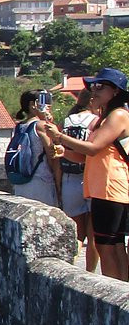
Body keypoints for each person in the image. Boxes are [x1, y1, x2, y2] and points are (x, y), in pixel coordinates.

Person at [41, 68, 129, 281]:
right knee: (111, 243)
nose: (93, 91)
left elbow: (93, 148)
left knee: (107, 244)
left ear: (115, 91)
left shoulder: (118, 115)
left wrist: (60, 137)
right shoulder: (104, 117)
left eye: (100, 87)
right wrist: (65, 153)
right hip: (103, 187)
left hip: (111, 187)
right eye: (92, 87)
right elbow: (87, 156)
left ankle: (115, 291)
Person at [60, 88, 98, 272]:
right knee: (93, 236)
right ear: (92, 101)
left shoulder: (67, 120)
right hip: (90, 179)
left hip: (69, 180)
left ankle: (73, 268)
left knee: (76, 234)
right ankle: (90, 272)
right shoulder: (96, 121)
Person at [11, 90, 62, 208]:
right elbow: (52, 156)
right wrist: (59, 186)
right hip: (41, 180)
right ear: (33, 105)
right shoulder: (41, 126)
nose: (49, 106)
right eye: (44, 102)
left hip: (22, 181)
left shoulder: (19, 127)